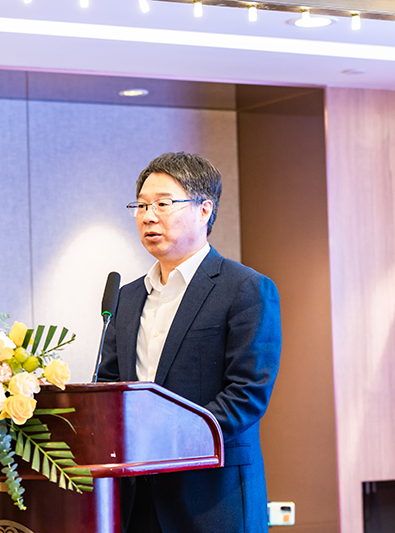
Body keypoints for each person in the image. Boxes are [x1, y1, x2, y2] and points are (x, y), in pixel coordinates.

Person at [97, 152, 282, 533]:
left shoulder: (245, 289)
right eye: (141, 205)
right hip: (136, 501)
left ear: (204, 209)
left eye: (163, 204)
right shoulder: (127, 298)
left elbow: (246, 394)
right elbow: (110, 387)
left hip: (212, 500)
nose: (149, 216)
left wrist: (167, 442)